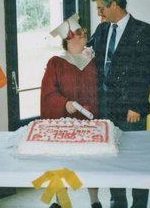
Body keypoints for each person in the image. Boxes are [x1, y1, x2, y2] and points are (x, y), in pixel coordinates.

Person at [88, 0, 150, 208]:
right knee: (113, 159)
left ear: (114, 4)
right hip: (105, 107)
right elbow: (86, 55)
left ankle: (139, 205)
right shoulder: (101, 30)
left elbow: (146, 71)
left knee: (136, 161)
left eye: (101, 8)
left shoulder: (144, 31)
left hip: (131, 108)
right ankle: (117, 202)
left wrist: (136, 105)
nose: (99, 13)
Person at [40, 14, 102, 208]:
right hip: (65, 121)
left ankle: (95, 201)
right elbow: (48, 93)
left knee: (92, 162)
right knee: (62, 162)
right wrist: (65, 104)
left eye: (83, 31)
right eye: (78, 32)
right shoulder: (56, 62)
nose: (84, 34)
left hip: (91, 121)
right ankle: (61, 202)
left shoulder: (93, 60)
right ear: (68, 40)